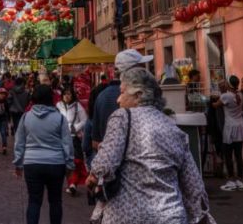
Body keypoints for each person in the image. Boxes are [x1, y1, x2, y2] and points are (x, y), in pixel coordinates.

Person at [85, 68, 215, 224]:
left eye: (122, 92)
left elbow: (105, 164)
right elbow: (193, 185)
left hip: (127, 216)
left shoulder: (122, 117)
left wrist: (92, 177)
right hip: (171, 215)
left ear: (138, 95)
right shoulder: (173, 128)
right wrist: (200, 215)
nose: (118, 99)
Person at [13, 84, 73, 224]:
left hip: (32, 164)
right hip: (56, 164)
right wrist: (69, 164)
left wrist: (18, 163)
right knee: (55, 201)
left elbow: (19, 143)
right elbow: (67, 143)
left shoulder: (26, 117)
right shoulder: (60, 118)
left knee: (34, 201)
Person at [90, 49, 153, 152]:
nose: (144, 71)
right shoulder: (141, 94)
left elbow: (95, 142)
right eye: (141, 67)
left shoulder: (101, 96)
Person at [56, 86, 88, 196]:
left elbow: (84, 120)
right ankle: (69, 182)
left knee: (75, 161)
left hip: (74, 138)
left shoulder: (77, 106)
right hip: (61, 138)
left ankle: (72, 184)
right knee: (64, 162)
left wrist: (76, 127)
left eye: (69, 94)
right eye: (65, 94)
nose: (67, 96)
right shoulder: (58, 106)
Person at [219, 75, 243, 191]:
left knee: (228, 154)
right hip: (240, 126)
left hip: (230, 127)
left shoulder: (226, 96)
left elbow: (216, 104)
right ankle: (239, 179)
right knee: (238, 154)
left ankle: (231, 180)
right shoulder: (240, 95)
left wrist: (221, 92)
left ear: (229, 84)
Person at [205, 93, 225, 180]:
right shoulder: (220, 111)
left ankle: (218, 169)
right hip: (219, 133)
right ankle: (220, 170)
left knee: (216, 152)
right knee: (220, 152)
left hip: (214, 133)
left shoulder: (210, 112)